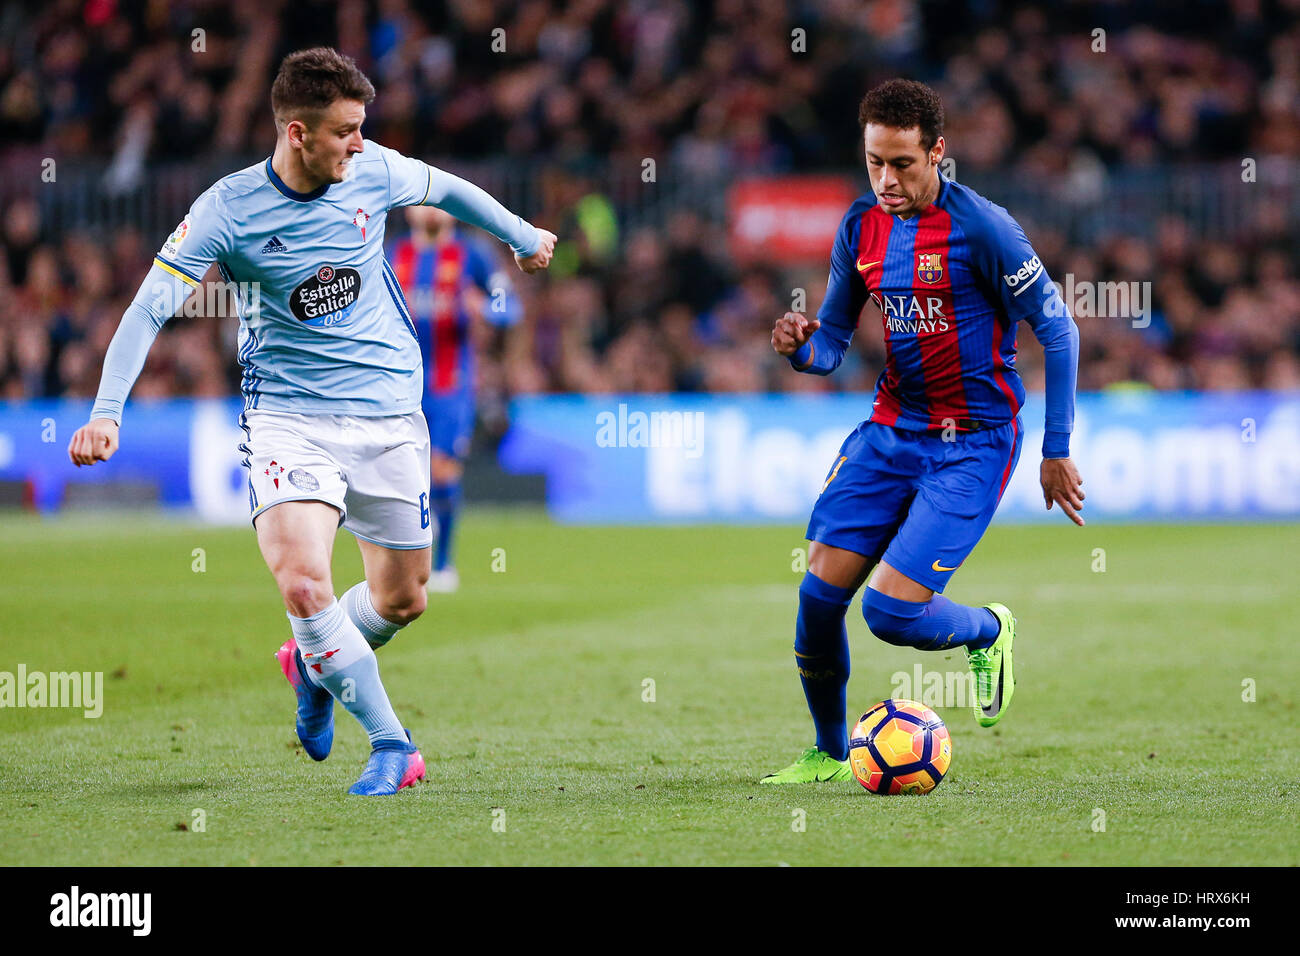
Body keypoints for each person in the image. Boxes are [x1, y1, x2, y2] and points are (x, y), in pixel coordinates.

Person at [67, 47, 556, 796]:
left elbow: (450, 189)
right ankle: (394, 745)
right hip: (288, 418)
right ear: (298, 133)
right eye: (345, 132)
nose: (360, 145)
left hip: (391, 412)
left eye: (363, 130)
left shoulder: (372, 169)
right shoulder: (226, 210)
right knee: (304, 583)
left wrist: (522, 236)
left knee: (403, 598)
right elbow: (149, 307)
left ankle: (312, 663)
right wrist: (107, 413)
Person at [762, 79, 1083, 784]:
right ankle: (827, 752)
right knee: (818, 599)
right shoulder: (861, 226)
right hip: (890, 431)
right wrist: (798, 346)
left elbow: (1059, 330)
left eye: (902, 163)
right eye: (874, 161)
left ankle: (989, 630)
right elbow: (833, 343)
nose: (886, 179)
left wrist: (1056, 449)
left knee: (890, 615)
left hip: (972, 441)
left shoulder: (985, 229)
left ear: (937, 152)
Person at [389, 205, 522, 593]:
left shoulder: (474, 254)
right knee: (402, 475)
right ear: (409, 211)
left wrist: (486, 308)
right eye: (421, 201)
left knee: (442, 470)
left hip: (451, 383)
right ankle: (402, 559)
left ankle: (442, 563)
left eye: (439, 201)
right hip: (397, 383)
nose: (430, 209)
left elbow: (510, 306)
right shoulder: (391, 253)